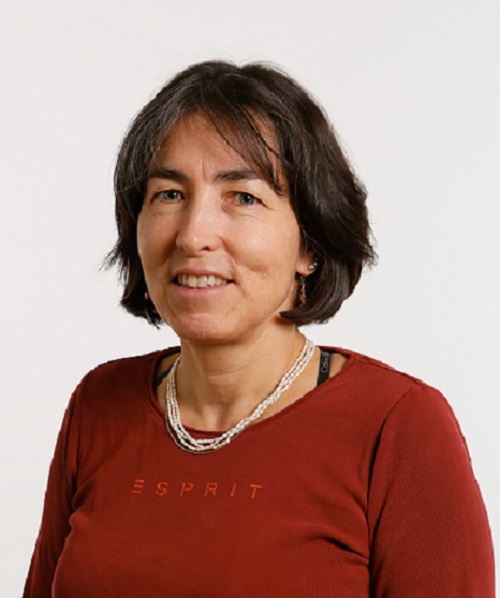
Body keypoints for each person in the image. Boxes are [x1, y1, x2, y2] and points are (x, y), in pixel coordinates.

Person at [24, 61, 494, 597]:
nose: (194, 235)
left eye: (243, 197)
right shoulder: (97, 405)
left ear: (310, 245)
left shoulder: (399, 427)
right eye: (169, 194)